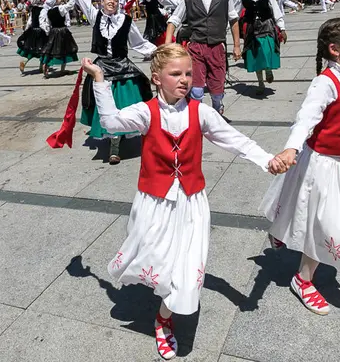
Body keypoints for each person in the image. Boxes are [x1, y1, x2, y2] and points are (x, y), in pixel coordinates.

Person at [84, 44, 285, 360]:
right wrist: (99, 78)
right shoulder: (145, 112)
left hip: (192, 203)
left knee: (187, 270)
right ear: (156, 78)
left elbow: (235, 140)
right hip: (154, 203)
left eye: (188, 73)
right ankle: (164, 296)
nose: (184, 79)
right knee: (159, 263)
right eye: (175, 74)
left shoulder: (201, 112)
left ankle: (164, 319)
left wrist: (267, 160)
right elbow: (110, 122)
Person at [261, 17, 340, 316]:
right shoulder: (326, 82)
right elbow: (306, 117)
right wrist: (291, 147)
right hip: (323, 165)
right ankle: (303, 280)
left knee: (329, 219)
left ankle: (281, 234)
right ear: (335, 49)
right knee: (327, 225)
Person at [72, 0, 157, 165]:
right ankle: (114, 144)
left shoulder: (126, 20)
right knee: (105, 105)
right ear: (101, 2)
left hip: (122, 66)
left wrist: (158, 51)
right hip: (102, 68)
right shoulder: (95, 16)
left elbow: (138, 43)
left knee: (126, 105)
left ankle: (130, 140)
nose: (112, 1)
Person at [164, 0, 242, 116]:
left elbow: (233, 20)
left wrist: (236, 45)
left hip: (217, 47)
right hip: (196, 47)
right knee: (197, 89)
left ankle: (217, 106)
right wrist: (167, 45)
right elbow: (174, 20)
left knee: (217, 89)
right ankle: (197, 117)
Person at [241, 0, 288, 95]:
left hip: (266, 26)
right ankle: (260, 83)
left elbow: (276, 11)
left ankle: (268, 70)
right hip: (252, 29)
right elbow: (234, 12)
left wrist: (282, 28)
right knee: (255, 56)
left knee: (266, 51)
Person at [39, 0, 78, 77]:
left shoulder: (48, 11)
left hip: (53, 31)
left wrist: (48, 32)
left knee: (52, 49)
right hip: (62, 30)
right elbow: (70, 6)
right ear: (56, 1)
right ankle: (62, 69)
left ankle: (47, 64)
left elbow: (48, 24)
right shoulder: (61, 8)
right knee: (65, 49)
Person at [17, 0, 48, 75]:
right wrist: (47, 31)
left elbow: (29, 21)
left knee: (32, 49)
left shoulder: (33, 10)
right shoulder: (43, 9)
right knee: (43, 49)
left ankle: (25, 61)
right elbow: (43, 22)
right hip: (40, 31)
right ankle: (42, 67)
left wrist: (26, 31)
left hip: (32, 31)